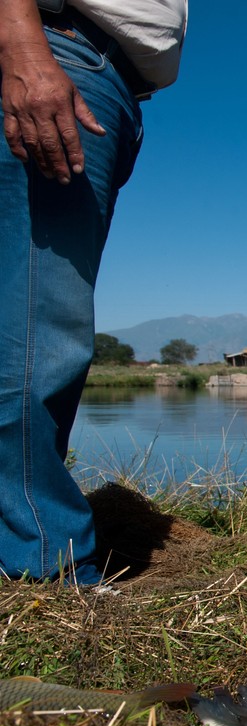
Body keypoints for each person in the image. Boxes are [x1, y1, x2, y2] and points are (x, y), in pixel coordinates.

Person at [0, 0, 187, 584]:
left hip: (99, 78)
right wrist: (25, 47)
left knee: (28, 319)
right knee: (38, 327)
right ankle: (44, 569)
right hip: (55, 54)